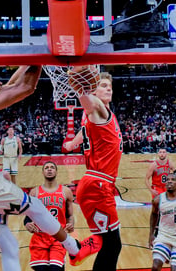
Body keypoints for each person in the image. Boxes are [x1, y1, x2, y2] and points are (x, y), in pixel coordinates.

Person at [0, 66, 93, 271]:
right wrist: (40, 57)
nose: (1, 82)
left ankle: (71, 248)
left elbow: (13, 85)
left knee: (9, 244)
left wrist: (26, 62)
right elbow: (26, 87)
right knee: (36, 206)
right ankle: (73, 248)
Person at [65, 69, 122, 271]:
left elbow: (84, 129)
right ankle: (75, 248)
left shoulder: (92, 118)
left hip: (95, 183)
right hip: (98, 184)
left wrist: (72, 143)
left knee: (104, 240)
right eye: (103, 86)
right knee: (113, 245)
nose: (108, 89)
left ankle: (78, 251)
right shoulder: (99, 109)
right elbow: (91, 104)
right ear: (95, 92)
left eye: (110, 87)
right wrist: (81, 89)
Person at [24, 161, 75, 271]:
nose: (49, 169)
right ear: (43, 172)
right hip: (40, 238)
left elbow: (70, 215)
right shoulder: (34, 192)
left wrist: (71, 224)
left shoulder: (66, 191)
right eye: (46, 167)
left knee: (56, 269)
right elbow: (27, 217)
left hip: (58, 237)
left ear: (56, 171)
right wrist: (27, 224)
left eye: (52, 167)